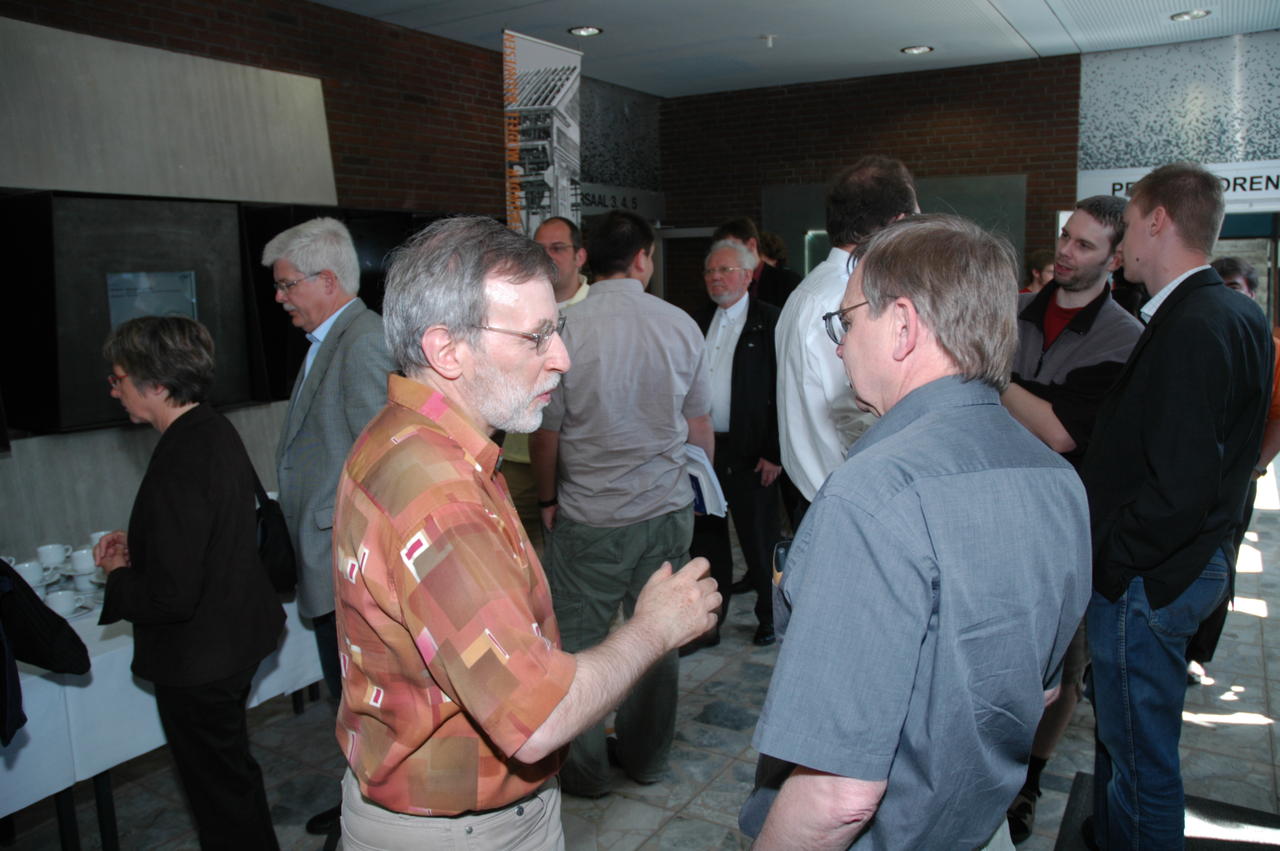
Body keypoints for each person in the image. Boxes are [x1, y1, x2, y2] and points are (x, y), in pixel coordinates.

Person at [331, 216, 719, 849]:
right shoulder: (439, 499)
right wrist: (654, 627)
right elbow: (537, 719)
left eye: (556, 330)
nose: (561, 358)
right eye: (537, 337)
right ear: (446, 350)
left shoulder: (409, 435)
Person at [740, 215, 1090, 850]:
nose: (839, 346)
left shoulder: (873, 495)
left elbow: (839, 795)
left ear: (902, 326)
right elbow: (1042, 691)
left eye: (846, 322)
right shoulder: (1058, 480)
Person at [1080, 163, 1273, 849]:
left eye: (1130, 223)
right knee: (1126, 748)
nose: (1125, 241)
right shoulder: (1233, 311)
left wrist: (1115, 560)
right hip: (1182, 563)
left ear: (1158, 220)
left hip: (1152, 577)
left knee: (1142, 766)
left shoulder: (1195, 321)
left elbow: (1180, 484)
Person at [530, 209, 714, 798]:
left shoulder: (564, 328)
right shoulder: (680, 324)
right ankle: (647, 759)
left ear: (586, 257)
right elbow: (699, 426)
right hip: (665, 510)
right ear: (641, 259)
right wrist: (694, 491)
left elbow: (546, 433)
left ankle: (585, 773)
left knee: (581, 644)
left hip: (592, 517)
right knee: (658, 635)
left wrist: (547, 498)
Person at [94, 316, 283, 850]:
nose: (114, 390)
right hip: (234, 636)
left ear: (156, 383)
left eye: (119, 378)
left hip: (202, 657)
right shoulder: (211, 427)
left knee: (219, 797)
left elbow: (170, 597)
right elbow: (211, 537)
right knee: (231, 779)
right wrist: (146, 547)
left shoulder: (182, 454)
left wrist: (118, 574)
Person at [1001, 195, 1142, 843]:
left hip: (1066, 531)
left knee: (1060, 666)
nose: (1065, 250)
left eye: (1084, 244)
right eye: (1066, 236)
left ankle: (1028, 779)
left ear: (1115, 259)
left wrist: (990, 374)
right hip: (994, 513)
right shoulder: (1015, 312)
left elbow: (1060, 432)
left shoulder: (1123, 339)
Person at [260, 216, 392, 835]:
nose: (279, 297)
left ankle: (371, 822)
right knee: (349, 703)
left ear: (329, 280)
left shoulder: (362, 342)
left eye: (288, 284)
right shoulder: (330, 339)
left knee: (362, 705)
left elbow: (383, 466)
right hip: (330, 556)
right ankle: (358, 806)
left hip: (350, 563)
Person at [774, 155, 917, 511]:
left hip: (816, 492)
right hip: (849, 496)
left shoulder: (809, 289)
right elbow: (860, 417)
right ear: (898, 223)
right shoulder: (852, 298)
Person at [688, 239, 783, 650]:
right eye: (710, 271)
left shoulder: (770, 321)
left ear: (747, 276)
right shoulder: (695, 320)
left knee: (759, 541)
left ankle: (771, 616)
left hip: (753, 452)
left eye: (725, 270)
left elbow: (784, 390)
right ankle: (709, 622)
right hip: (706, 450)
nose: (715, 278)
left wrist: (775, 452)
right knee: (706, 542)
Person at [503, 216, 591, 553]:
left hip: (575, 463)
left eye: (557, 248)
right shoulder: (513, 304)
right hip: (519, 455)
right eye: (539, 249)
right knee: (516, 556)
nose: (547, 257)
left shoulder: (597, 310)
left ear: (580, 256)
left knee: (574, 561)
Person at [713, 216, 802, 306]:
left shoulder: (787, 282)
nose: (726, 256)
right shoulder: (725, 284)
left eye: (731, 248)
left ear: (751, 245)